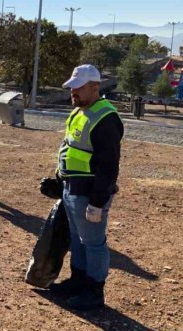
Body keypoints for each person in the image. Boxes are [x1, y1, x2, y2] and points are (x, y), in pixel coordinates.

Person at [49, 64, 124, 311]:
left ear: (95, 87)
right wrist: (59, 180)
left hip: (90, 193)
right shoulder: (79, 112)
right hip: (72, 189)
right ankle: (78, 282)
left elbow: (109, 166)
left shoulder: (106, 118)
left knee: (93, 243)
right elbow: (69, 149)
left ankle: (94, 291)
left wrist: (98, 202)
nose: (73, 92)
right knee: (77, 240)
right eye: (71, 87)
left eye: (78, 87)